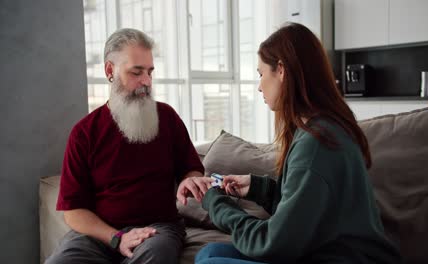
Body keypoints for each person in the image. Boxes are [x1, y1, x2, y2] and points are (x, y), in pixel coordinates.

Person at [195, 23, 402, 264]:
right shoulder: (320, 127)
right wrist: (257, 188)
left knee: (211, 262)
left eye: (261, 74)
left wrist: (215, 203)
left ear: (281, 70)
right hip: (323, 252)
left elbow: (272, 243)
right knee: (209, 253)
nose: (259, 86)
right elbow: (307, 212)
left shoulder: (317, 144)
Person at [46, 28, 213, 264]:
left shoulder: (167, 117)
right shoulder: (84, 133)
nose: (146, 81)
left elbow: (191, 169)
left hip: (157, 230)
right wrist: (117, 237)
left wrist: (189, 179)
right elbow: (73, 212)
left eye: (149, 72)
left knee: (156, 254)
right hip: (101, 235)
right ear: (109, 70)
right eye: (136, 72)